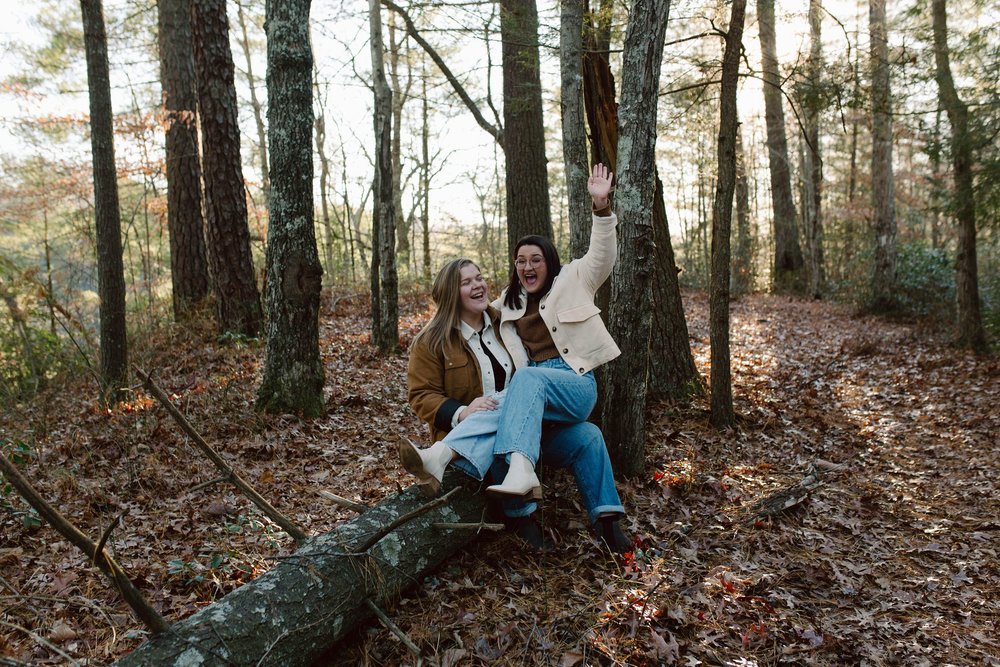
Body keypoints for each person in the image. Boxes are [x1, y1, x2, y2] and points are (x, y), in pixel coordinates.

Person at [402, 164, 628, 552]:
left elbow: (602, 255)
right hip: (527, 415)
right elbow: (424, 390)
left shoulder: (573, 279)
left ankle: (480, 461)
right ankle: (605, 524)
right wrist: (461, 410)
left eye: (535, 259)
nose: (527, 266)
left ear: (549, 261)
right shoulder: (502, 307)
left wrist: (601, 206)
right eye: (520, 260)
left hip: (570, 384)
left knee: (526, 380)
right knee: (587, 436)